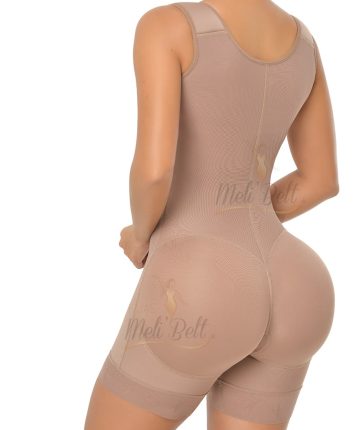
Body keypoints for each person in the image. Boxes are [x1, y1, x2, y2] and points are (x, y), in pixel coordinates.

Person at [85, 0, 339, 429]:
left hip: (201, 283)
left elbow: (154, 172)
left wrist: (141, 234)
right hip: (297, 283)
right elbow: (320, 180)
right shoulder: (304, 43)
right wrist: (247, 216)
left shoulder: (166, 27)